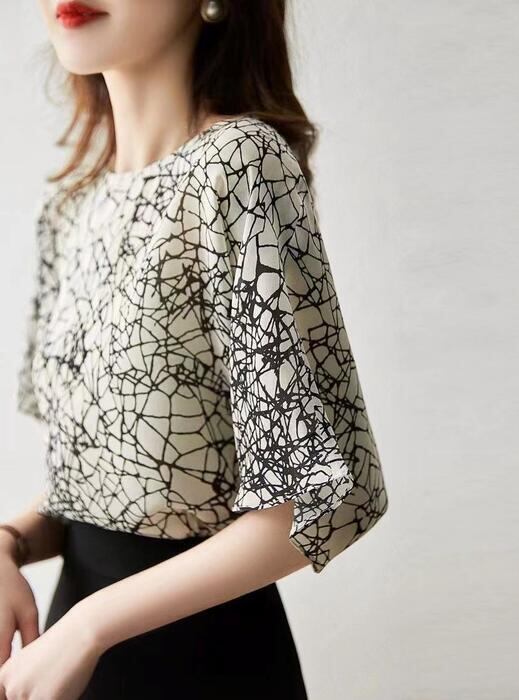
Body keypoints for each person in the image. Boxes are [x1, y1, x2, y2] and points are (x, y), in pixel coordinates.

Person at [0, 1, 389, 697]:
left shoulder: (238, 165)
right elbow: (114, 489)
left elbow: (328, 497)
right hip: (68, 660)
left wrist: (90, 626)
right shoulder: (69, 210)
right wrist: (10, 542)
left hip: (200, 663)